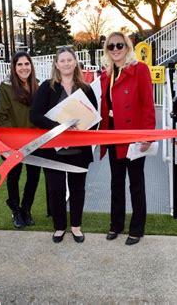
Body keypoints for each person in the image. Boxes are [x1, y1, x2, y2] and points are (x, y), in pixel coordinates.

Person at [30, 46, 97, 244]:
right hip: (54, 150)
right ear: (57, 64)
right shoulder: (47, 87)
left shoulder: (86, 89)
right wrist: (59, 127)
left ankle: (76, 226)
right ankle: (59, 227)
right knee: (56, 190)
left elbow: (95, 118)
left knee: (78, 189)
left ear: (75, 62)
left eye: (70, 60)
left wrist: (84, 130)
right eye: (62, 60)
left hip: (79, 150)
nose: (66, 63)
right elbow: (34, 115)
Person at [99, 31, 155, 246]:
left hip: (133, 135)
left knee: (136, 183)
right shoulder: (106, 73)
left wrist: (147, 135)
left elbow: (148, 105)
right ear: (107, 50)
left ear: (127, 47)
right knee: (116, 182)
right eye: (111, 46)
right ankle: (116, 225)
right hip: (113, 133)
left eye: (119, 45)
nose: (115, 49)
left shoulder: (139, 69)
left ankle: (137, 228)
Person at [0, 51, 41, 228]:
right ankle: (15, 211)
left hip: (35, 142)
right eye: (20, 64)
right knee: (13, 176)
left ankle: (26, 209)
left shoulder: (37, 86)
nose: (24, 68)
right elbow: (2, 115)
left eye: (27, 64)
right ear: (14, 68)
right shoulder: (5, 88)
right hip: (12, 143)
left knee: (33, 177)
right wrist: (14, 141)